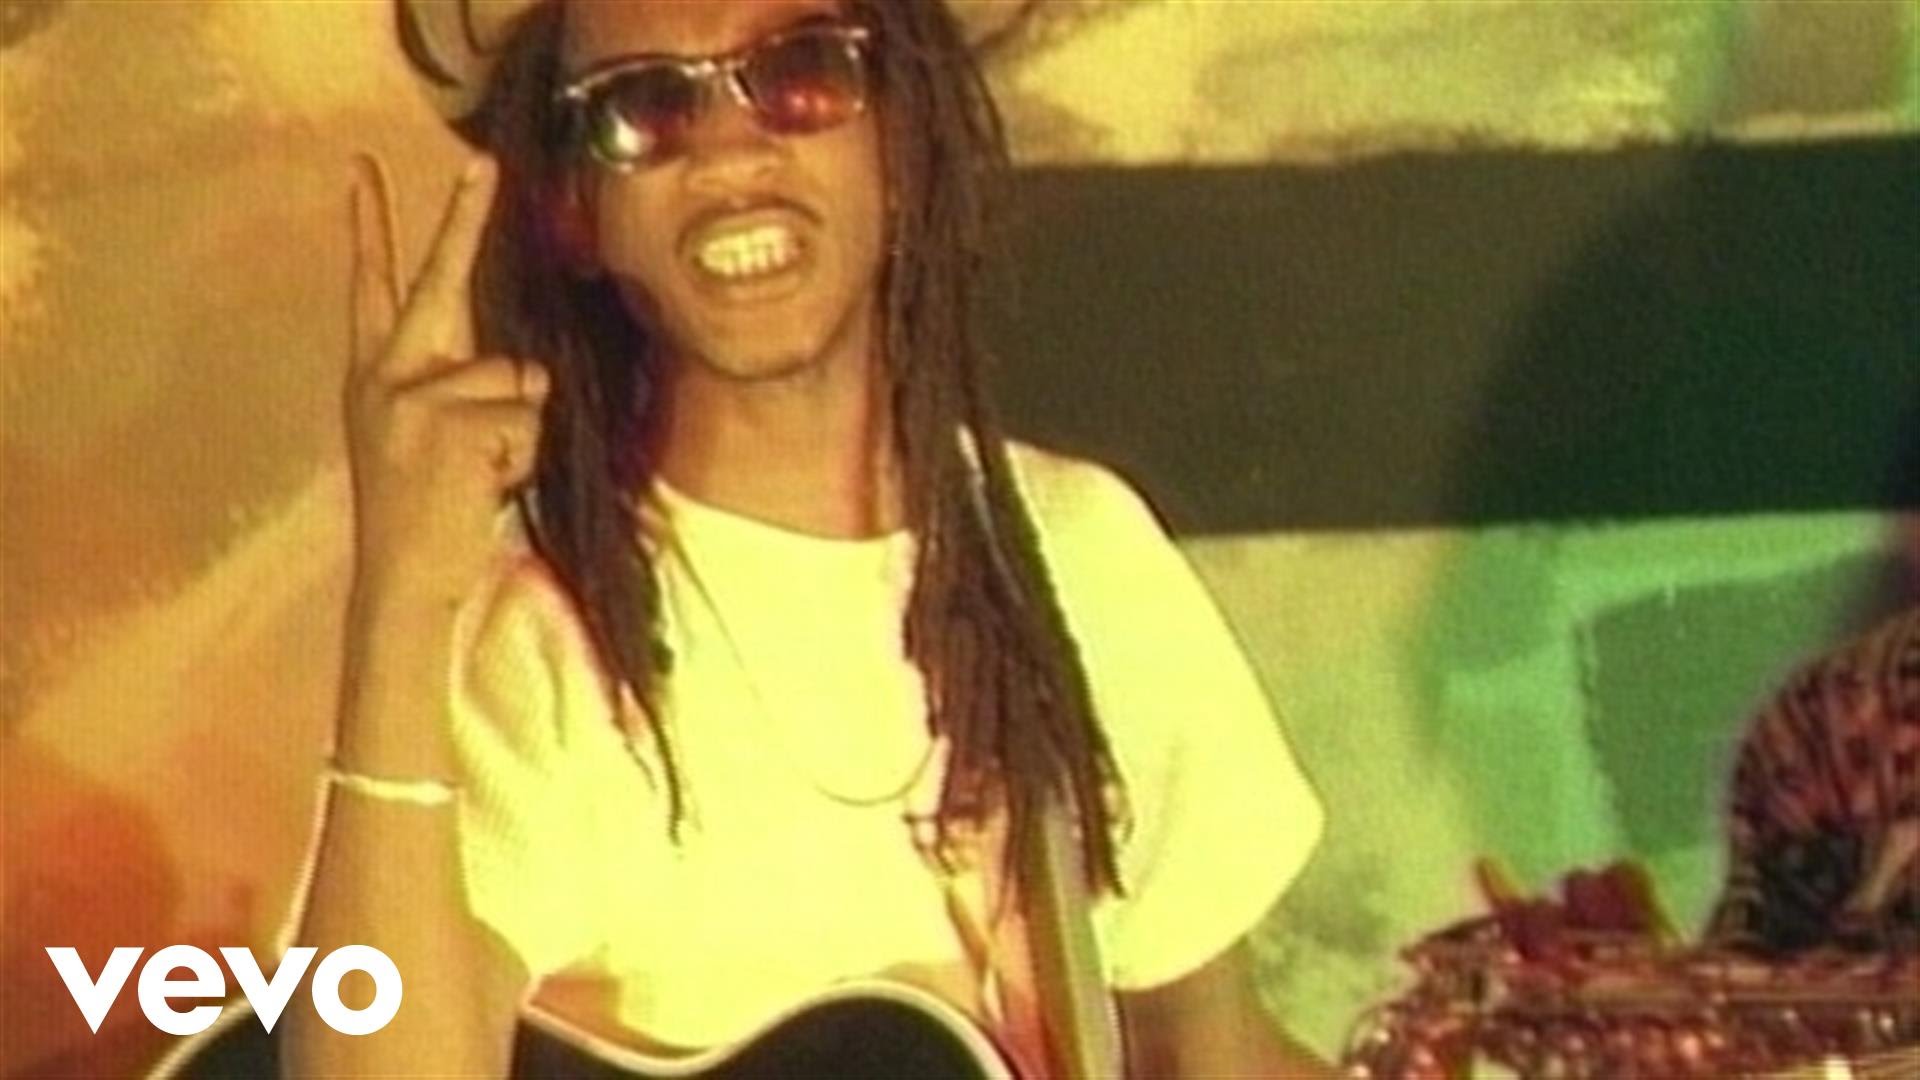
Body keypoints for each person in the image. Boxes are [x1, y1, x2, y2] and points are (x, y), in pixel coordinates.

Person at [284, 1, 1328, 1075]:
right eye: (645, 106)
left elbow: (1213, 1051)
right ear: (573, 210)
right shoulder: (538, 636)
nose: (729, 153)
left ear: (902, 140)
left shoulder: (1075, 557)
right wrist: (397, 604)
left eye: (802, 74)